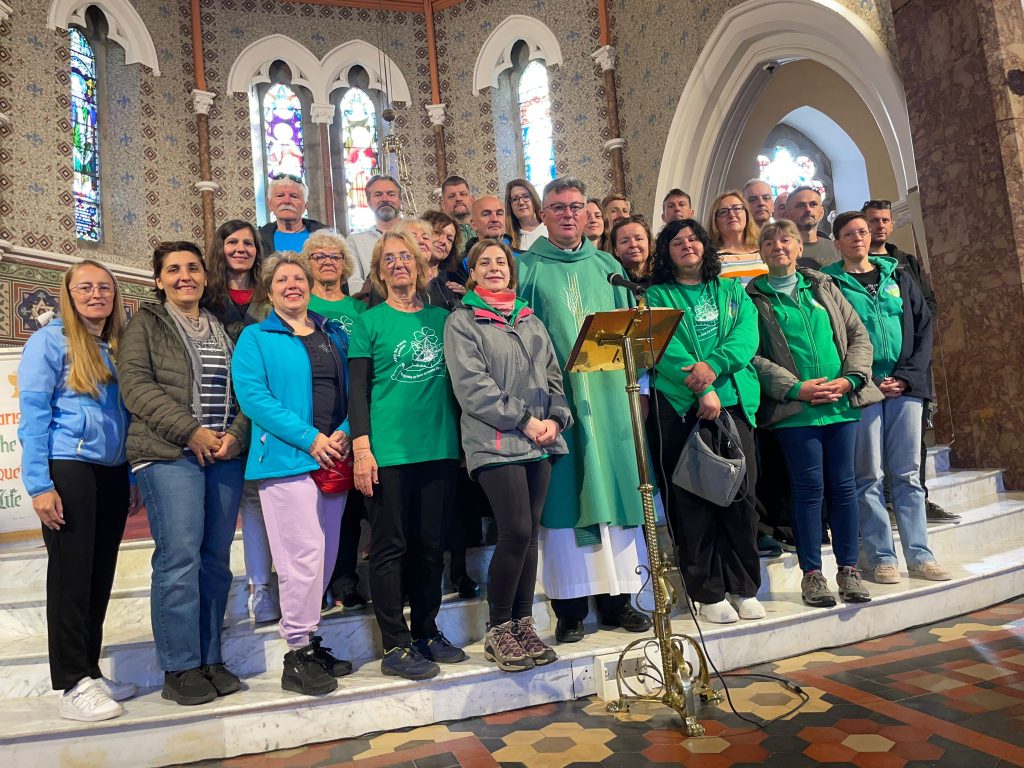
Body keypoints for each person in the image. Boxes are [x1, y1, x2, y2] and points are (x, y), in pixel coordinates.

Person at [518, 177, 652, 643]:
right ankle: (570, 610)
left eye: (576, 207)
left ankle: (620, 601)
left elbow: (632, 333)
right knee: (566, 497)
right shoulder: (527, 268)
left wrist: (638, 391)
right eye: (558, 207)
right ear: (543, 215)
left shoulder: (608, 266)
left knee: (615, 488)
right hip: (558, 401)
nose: (568, 215)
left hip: (611, 398)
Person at [117, 242, 247, 706]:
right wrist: (191, 432)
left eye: (193, 267)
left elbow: (246, 387)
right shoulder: (146, 323)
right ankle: (179, 667)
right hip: (168, 453)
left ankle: (210, 658)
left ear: (205, 276)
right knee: (180, 560)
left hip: (223, 455)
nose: (184, 276)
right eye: (173, 269)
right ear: (159, 280)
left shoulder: (223, 326)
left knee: (215, 560)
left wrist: (236, 435)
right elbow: (136, 387)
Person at [18, 259, 140, 721]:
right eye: (85, 287)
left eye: (104, 287)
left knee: (98, 574)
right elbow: (34, 415)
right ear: (68, 295)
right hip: (68, 466)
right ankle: (71, 683)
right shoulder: (49, 341)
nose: (96, 295)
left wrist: (129, 476)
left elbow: (125, 417)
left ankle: (90, 670)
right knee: (71, 577)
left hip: (112, 469)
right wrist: (39, 485)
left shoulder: (117, 343)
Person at [444, 239, 572, 671]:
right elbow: (473, 387)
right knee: (514, 529)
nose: (494, 267)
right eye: (485, 262)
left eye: (501, 261)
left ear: (511, 272)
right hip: (494, 441)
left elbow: (553, 374)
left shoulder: (529, 318)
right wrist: (525, 420)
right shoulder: (463, 321)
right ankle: (499, 628)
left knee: (530, 533)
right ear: (472, 274)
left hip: (540, 439)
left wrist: (556, 418)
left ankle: (523, 623)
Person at [233, 252, 355, 696]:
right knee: (301, 556)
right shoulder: (255, 337)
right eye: (282, 280)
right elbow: (254, 398)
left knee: (325, 554)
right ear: (269, 292)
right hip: (287, 459)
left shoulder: (332, 333)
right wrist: (310, 438)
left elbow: (350, 391)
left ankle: (311, 638)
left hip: (333, 456)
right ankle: (297, 651)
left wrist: (344, 432)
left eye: (299, 279)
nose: (292, 286)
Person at [349, 231, 467, 680]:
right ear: (379, 272)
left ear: (420, 267)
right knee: (389, 548)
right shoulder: (369, 322)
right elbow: (357, 393)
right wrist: (362, 449)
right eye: (389, 259)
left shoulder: (443, 319)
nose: (398, 264)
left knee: (430, 547)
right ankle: (395, 644)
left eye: (406, 258)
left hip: (438, 446)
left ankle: (426, 631)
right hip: (389, 452)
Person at [746, 221, 882, 607]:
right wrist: (795, 388)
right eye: (769, 242)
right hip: (796, 409)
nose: (778, 246)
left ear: (798, 247)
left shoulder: (824, 286)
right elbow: (753, 354)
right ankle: (812, 575)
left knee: (844, 487)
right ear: (761, 252)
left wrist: (850, 380)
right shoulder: (753, 297)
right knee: (808, 490)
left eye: (785, 240)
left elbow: (858, 336)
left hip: (840, 404)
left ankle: (849, 570)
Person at [644, 221, 764, 624]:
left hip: (734, 404)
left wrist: (713, 366)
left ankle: (744, 587)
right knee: (691, 501)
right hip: (681, 406)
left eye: (693, 239)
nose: (687, 246)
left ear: (705, 245)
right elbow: (663, 346)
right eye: (676, 242)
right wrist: (701, 389)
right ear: (666, 253)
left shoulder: (731, 291)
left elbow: (746, 336)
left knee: (741, 498)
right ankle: (707, 592)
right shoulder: (656, 296)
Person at [822, 213, 951, 583]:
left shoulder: (898, 276)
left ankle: (920, 555)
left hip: (905, 387)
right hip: (862, 388)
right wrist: (864, 379)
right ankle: (881, 557)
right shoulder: (829, 283)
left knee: (907, 474)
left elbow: (923, 328)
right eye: (849, 234)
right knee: (869, 475)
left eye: (862, 232)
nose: (858, 238)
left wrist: (906, 377)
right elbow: (834, 337)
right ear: (837, 242)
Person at [202, 219, 279, 626]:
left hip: (264, 404)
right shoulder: (206, 296)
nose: (241, 249)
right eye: (232, 242)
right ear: (221, 248)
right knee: (244, 503)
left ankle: (283, 583)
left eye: (248, 243)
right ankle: (257, 588)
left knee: (268, 499)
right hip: (218, 408)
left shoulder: (270, 295)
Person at [861, 199, 955, 524]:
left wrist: (914, 341)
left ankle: (920, 499)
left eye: (884, 220)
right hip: (873, 372)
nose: (880, 226)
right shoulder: (853, 267)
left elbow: (928, 304)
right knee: (874, 446)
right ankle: (885, 503)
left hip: (911, 366)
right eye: (873, 221)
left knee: (914, 440)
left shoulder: (905, 262)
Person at [301, 231, 370, 613]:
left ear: (345, 265)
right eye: (319, 256)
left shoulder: (359, 309)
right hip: (313, 419)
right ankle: (314, 585)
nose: (328, 262)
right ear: (307, 264)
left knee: (350, 511)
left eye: (335, 256)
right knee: (311, 512)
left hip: (354, 417)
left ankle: (344, 581)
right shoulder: (301, 303)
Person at [347, 175, 404, 296]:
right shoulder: (355, 241)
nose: (385, 199)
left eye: (391, 194)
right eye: (378, 195)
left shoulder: (415, 235)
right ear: (368, 202)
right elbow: (355, 283)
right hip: (371, 303)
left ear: (400, 200)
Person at [258, 173, 327, 256]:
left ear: (306, 205)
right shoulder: (258, 239)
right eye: (280, 196)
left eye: (294, 196)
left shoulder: (325, 235)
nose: (286, 201)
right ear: (269, 203)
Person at [707, 190, 767, 284]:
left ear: (746, 214)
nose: (731, 215)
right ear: (715, 221)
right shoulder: (711, 259)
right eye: (723, 212)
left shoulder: (764, 252)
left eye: (737, 208)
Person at [785, 186, 837, 269]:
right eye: (800, 205)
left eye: (813, 204)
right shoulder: (781, 249)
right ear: (788, 214)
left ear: (821, 212)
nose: (808, 209)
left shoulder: (837, 248)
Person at [609, 214, 655, 287]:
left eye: (639, 239)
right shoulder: (611, 281)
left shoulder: (664, 278)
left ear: (649, 244)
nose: (633, 245)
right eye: (624, 241)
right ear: (616, 250)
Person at [505, 178, 548, 250]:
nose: (521, 203)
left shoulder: (550, 229)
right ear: (510, 205)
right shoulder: (508, 240)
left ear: (534, 199)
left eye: (526, 196)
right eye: (515, 199)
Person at [440, 174, 476, 244]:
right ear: (443, 205)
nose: (458, 198)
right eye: (452, 196)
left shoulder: (485, 228)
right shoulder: (438, 235)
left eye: (463, 194)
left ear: (472, 200)